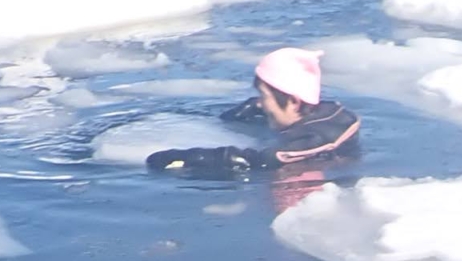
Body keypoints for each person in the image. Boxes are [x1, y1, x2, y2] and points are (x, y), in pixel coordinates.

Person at [144, 48, 359, 180]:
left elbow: (254, 162)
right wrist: (250, 108)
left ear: (293, 101)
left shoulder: (312, 141)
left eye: (264, 97)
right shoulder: (330, 112)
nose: (262, 105)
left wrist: (185, 156)